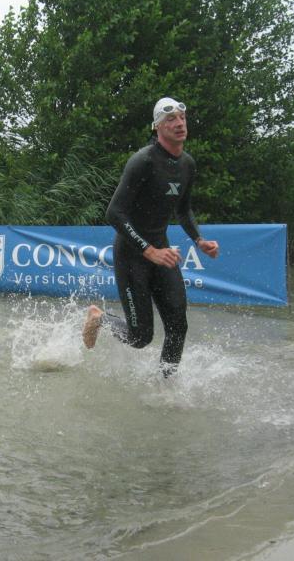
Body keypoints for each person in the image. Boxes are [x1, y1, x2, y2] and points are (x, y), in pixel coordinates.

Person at [82, 97, 219, 377]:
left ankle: (164, 385)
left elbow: (183, 209)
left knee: (178, 327)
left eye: (182, 117)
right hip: (132, 254)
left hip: (161, 252)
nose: (179, 123)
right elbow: (114, 213)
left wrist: (198, 240)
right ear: (157, 126)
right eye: (171, 119)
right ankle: (99, 318)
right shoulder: (143, 161)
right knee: (140, 337)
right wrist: (148, 250)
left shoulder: (187, 164)